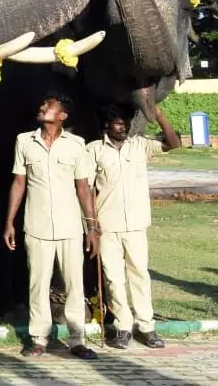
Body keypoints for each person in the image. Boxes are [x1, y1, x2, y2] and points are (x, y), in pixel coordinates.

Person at [4, 92, 100, 360]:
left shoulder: (76, 144)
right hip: (36, 226)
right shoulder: (25, 141)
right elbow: (19, 183)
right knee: (38, 284)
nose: (42, 106)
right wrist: (10, 222)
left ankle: (77, 339)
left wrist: (92, 228)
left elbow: (83, 188)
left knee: (74, 284)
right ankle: (39, 339)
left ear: (62, 116)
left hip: (70, 227)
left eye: (49, 105)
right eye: (43, 103)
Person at [87, 101, 179, 349]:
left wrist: (159, 115)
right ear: (108, 125)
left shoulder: (140, 146)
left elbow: (174, 143)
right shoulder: (95, 150)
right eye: (119, 123)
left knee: (139, 274)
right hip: (108, 226)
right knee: (114, 279)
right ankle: (123, 327)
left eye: (126, 123)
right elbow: (86, 188)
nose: (124, 127)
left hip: (137, 224)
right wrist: (91, 225)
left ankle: (146, 327)